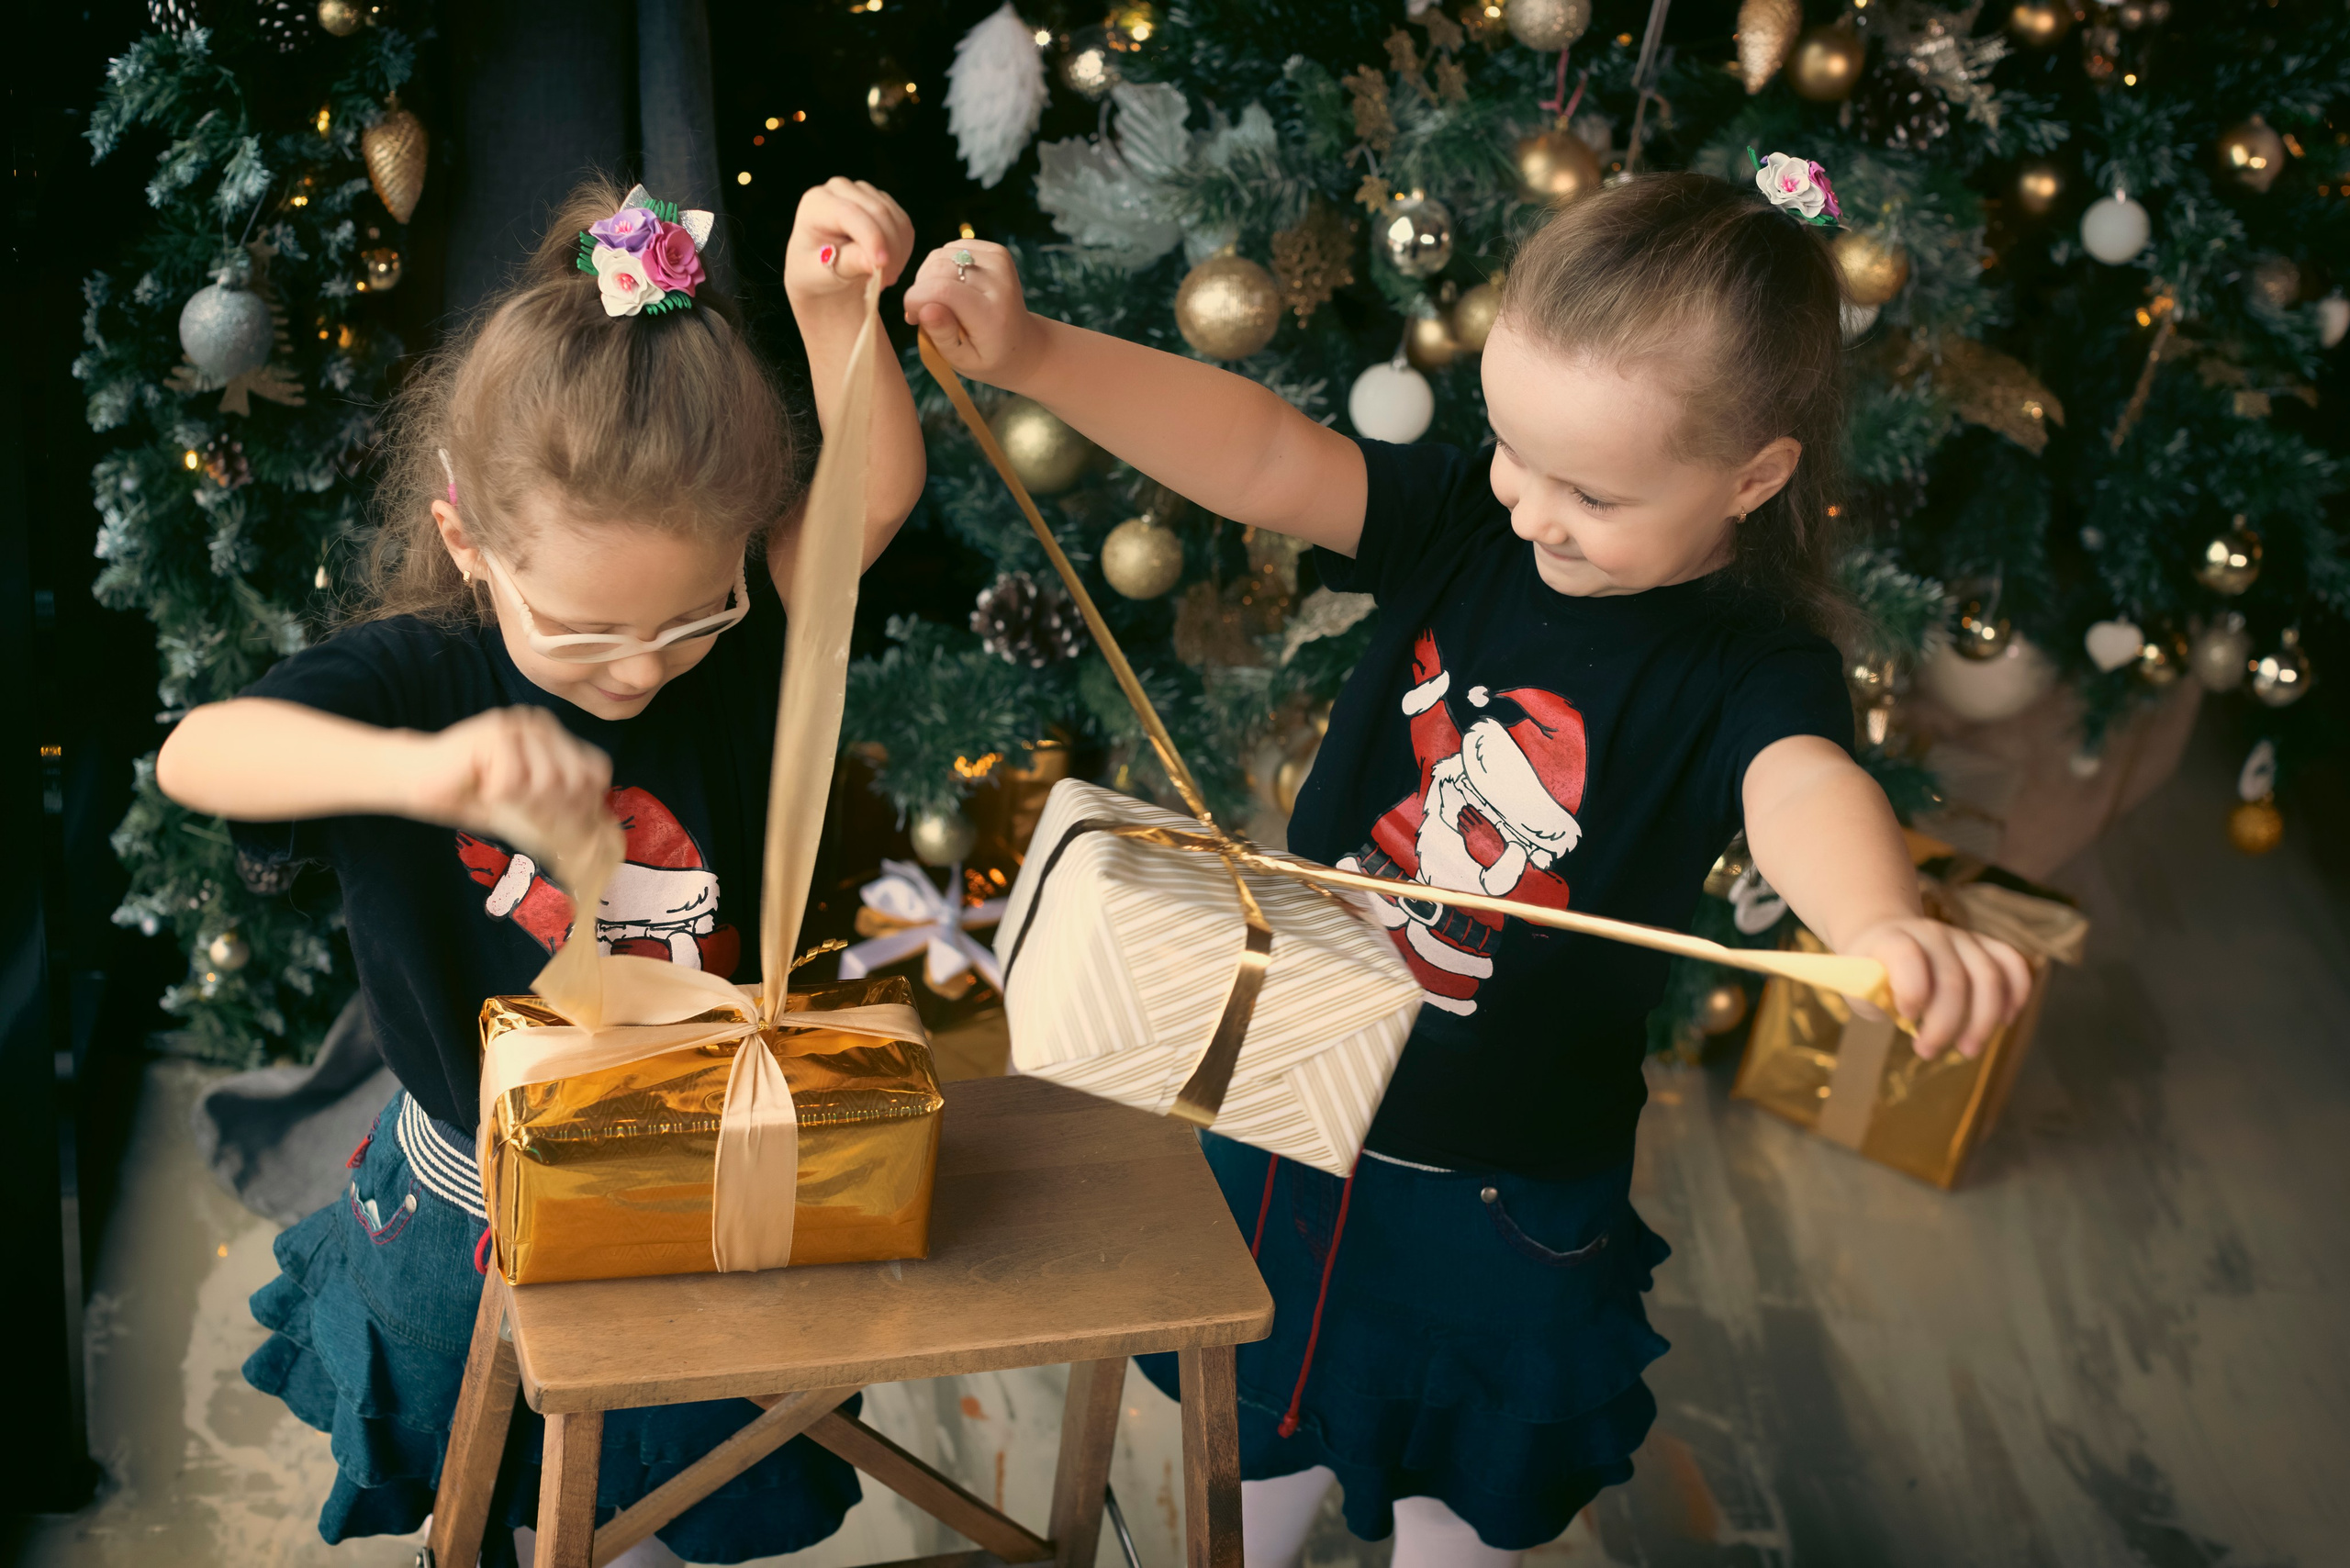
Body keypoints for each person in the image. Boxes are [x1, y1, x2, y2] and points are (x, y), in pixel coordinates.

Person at [901, 168, 2031, 1568]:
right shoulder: (1467, 526)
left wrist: (1879, 915)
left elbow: (1802, 784)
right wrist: (1032, 355)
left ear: (1755, 475)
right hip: (1286, 1107)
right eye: (1511, 449)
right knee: (1234, 1468)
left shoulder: (1751, 661)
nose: (1536, 512)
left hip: (1504, 1195)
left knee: (1465, 1505)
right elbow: (1258, 453)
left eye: (1595, 493)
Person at [156, 175, 924, 1566]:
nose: (640, 669)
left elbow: (870, 499)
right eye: (584, 634)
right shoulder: (416, 681)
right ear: (469, 544)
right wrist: (417, 776)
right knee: (487, 1490)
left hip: (695, 1177)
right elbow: (201, 755)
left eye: (692, 619)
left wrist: (835, 317)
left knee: (644, 1489)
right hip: (471, 1202)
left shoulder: (733, 647)